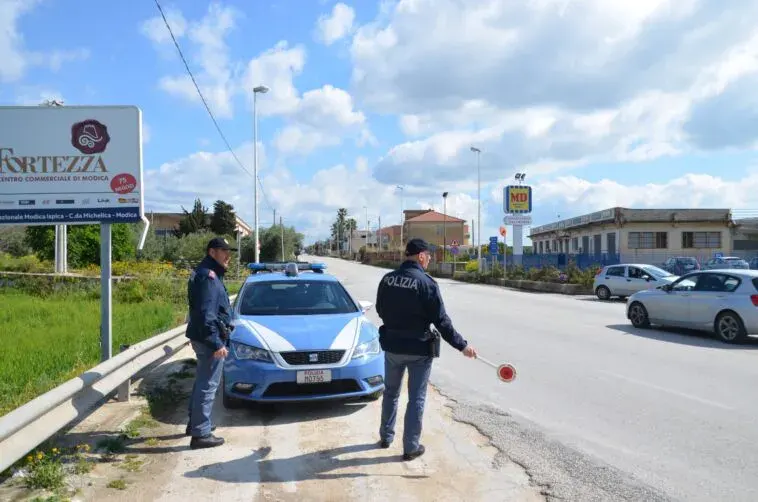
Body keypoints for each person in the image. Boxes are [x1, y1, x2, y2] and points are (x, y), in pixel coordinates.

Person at [375, 238, 477, 461]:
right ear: (421, 256)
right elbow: (442, 321)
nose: (430, 259)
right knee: (416, 398)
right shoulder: (427, 283)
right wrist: (462, 345)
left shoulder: (387, 279)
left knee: (390, 393)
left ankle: (385, 437)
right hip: (418, 350)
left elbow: (380, 309)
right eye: (429, 256)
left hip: (392, 346)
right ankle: (410, 447)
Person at [185, 237, 236, 449]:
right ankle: (200, 434)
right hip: (209, 340)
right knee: (208, 385)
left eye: (228, 251)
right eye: (223, 251)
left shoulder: (208, 274)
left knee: (202, 382)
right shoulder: (209, 277)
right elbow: (207, 315)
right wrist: (217, 343)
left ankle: (196, 424)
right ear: (211, 252)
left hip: (203, 337)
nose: (228, 256)